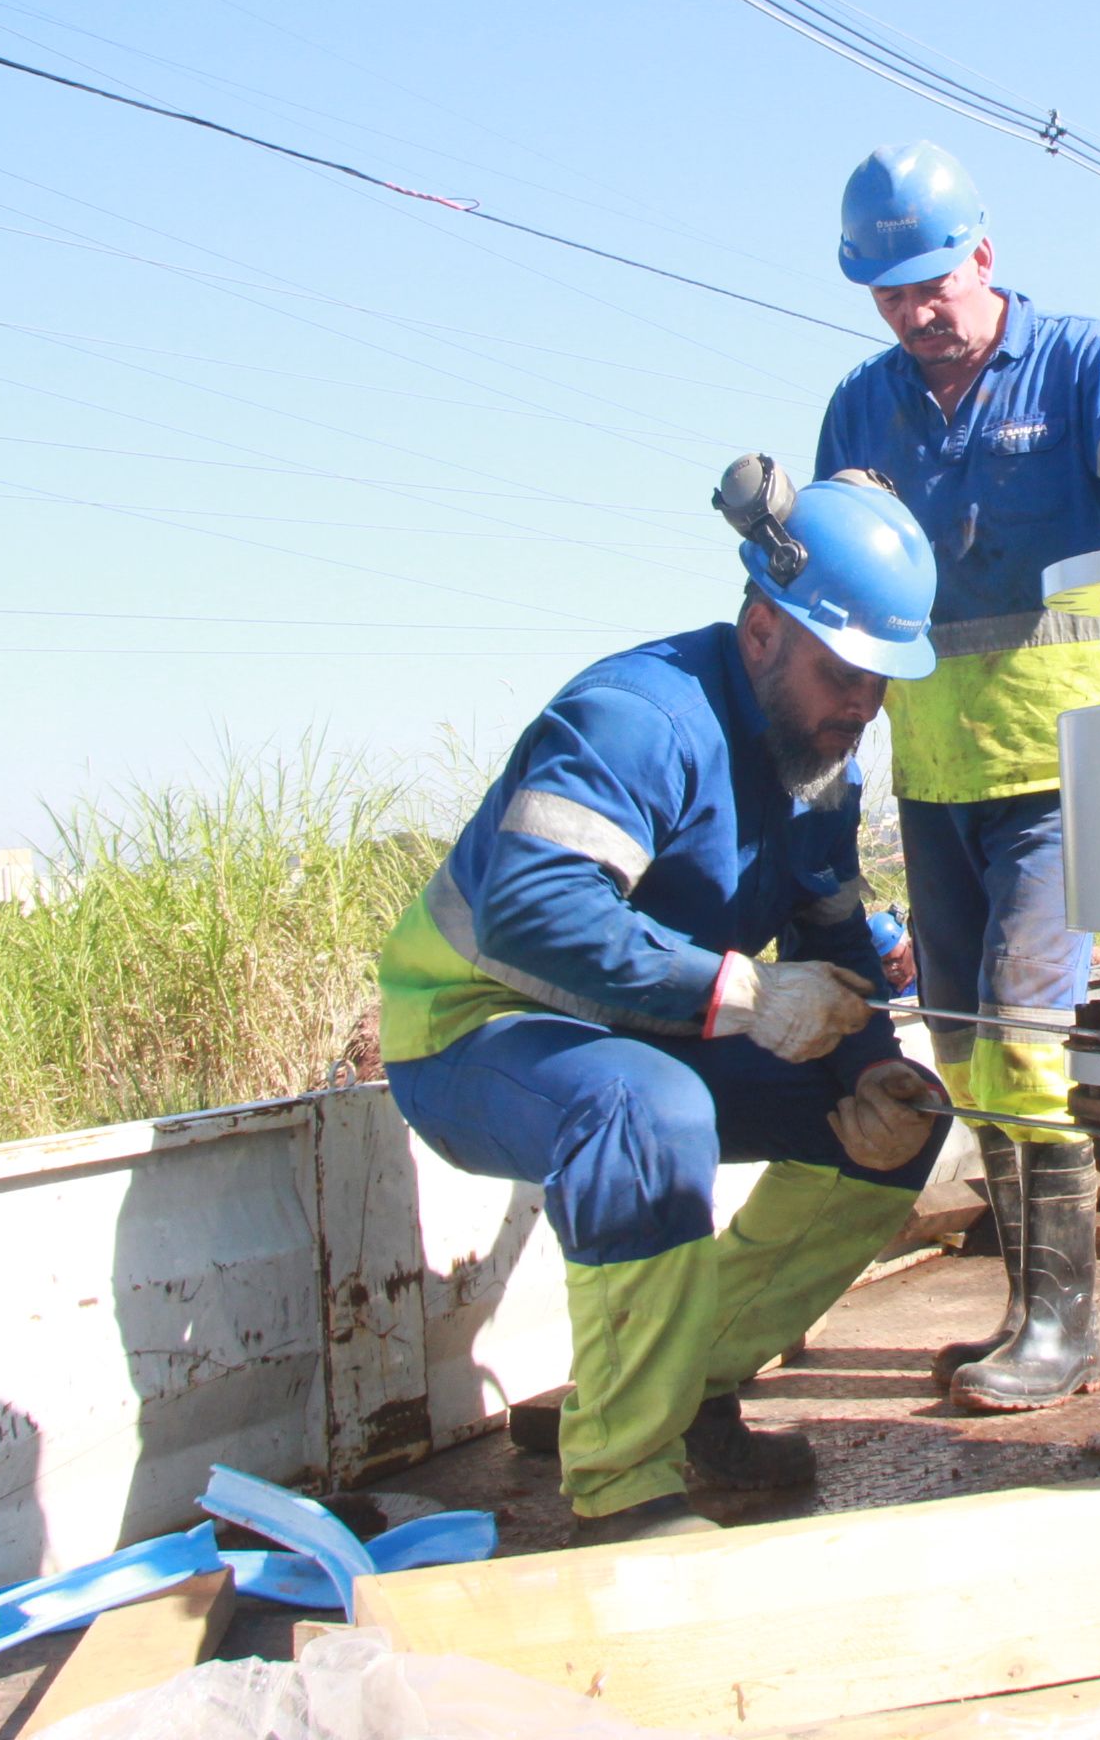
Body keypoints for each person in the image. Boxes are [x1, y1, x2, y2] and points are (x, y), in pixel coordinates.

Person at [376, 467, 950, 1545]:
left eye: (881, 686)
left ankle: (685, 1396)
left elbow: (829, 935)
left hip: (649, 1035)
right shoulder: (638, 717)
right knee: (648, 1113)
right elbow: (532, 914)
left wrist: (867, 1063)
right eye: (843, 676)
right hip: (473, 1035)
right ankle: (625, 1486)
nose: (861, 710)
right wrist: (740, 992)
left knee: (904, 1122)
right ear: (764, 629)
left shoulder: (821, 763)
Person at [814, 140, 1100, 1411]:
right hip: (933, 776)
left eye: (933, 282)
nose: (915, 311)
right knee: (961, 1040)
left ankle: (1065, 1327)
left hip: (1061, 767)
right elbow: (844, 578)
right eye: (889, 293)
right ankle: (1029, 1308)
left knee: (1019, 1035)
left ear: (984, 256)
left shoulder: (1083, 359)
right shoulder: (860, 405)